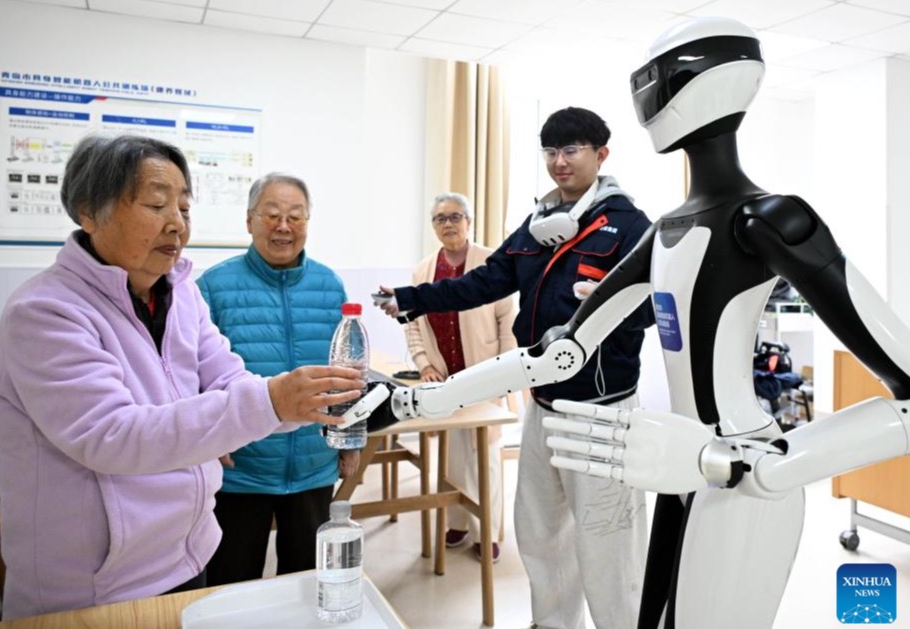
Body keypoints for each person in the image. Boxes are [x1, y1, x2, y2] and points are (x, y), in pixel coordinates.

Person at [543, 16, 910, 629]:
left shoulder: (772, 217)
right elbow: (567, 349)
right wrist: (423, 400)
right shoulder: (665, 231)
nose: (643, 104)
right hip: (683, 465)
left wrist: (747, 464)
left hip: (747, 477)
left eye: (651, 84)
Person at [0, 135, 364, 620]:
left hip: (187, 551)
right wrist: (271, 402)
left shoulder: (180, 295)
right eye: (156, 204)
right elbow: (113, 436)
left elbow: (229, 380)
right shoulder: (46, 312)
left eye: (184, 207)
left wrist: (299, 402)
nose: (176, 224)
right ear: (88, 212)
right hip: (94, 583)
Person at [377, 108, 654, 629]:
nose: (559, 162)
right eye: (550, 152)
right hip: (544, 404)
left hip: (600, 413)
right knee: (540, 531)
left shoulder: (630, 227)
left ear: (601, 155)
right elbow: (484, 281)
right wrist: (411, 298)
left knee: (607, 542)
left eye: (572, 150)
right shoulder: (536, 226)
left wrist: (613, 305)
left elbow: (660, 308)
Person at [196, 173, 360, 585]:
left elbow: (347, 372)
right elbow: (185, 373)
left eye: (295, 216)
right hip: (240, 470)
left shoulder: (329, 284)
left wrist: (352, 438)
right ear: (249, 220)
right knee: (229, 583)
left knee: (305, 584)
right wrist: (205, 439)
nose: (283, 226)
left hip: (312, 464)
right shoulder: (212, 287)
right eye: (271, 215)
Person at [404, 192, 517, 563]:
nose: (448, 224)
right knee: (452, 455)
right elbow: (413, 326)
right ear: (433, 226)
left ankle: (488, 530)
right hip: (443, 379)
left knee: (485, 453)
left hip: (485, 373)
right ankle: (456, 521)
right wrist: (424, 364)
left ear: (468, 221)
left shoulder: (491, 262)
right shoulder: (423, 270)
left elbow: (507, 323)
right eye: (440, 218)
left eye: (455, 216)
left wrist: (503, 372)